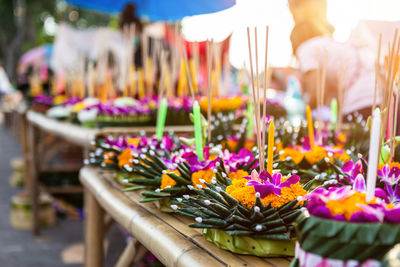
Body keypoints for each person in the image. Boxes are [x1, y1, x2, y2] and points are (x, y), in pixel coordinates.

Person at [290, 13, 376, 120]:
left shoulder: (305, 48)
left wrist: (303, 113)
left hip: (361, 99)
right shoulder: (328, 43)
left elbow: (316, 90)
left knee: (352, 135)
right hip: (382, 92)